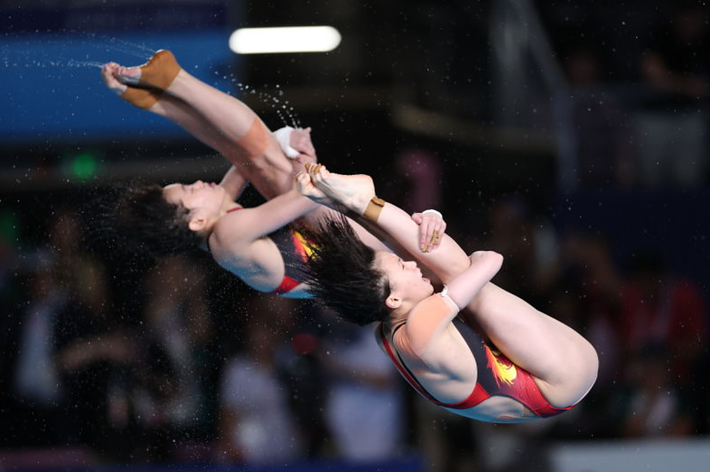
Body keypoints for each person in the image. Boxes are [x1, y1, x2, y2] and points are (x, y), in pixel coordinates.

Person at [99, 51, 444, 298]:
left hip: (345, 248)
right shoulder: (229, 236)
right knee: (270, 162)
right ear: (195, 221)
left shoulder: (217, 226)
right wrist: (298, 156)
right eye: (190, 191)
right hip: (366, 264)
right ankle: (176, 81)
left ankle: (159, 100)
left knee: (255, 157)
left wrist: (296, 157)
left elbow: (242, 159)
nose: (198, 183)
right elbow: (308, 191)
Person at [297, 164, 599, 422]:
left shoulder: (388, 319)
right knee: (460, 273)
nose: (411, 267)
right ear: (394, 298)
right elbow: (491, 259)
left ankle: (347, 203)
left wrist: (430, 219)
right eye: (404, 268)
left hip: (541, 381)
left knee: (437, 265)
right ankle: (365, 202)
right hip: (561, 379)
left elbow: (394, 258)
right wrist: (435, 228)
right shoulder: (419, 328)